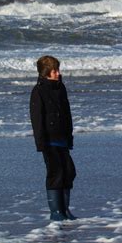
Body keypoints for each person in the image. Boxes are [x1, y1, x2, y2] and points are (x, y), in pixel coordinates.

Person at [30, 55, 77, 221]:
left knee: (69, 172)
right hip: (48, 140)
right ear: (46, 72)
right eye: (54, 70)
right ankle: (56, 213)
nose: (57, 73)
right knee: (55, 174)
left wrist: (69, 136)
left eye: (58, 70)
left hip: (63, 138)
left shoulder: (60, 87)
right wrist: (40, 142)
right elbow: (36, 118)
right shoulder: (38, 91)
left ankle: (65, 210)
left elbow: (67, 113)